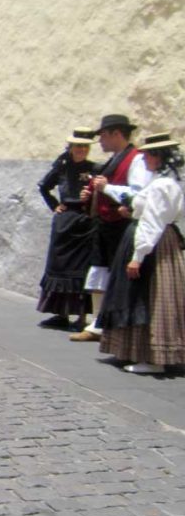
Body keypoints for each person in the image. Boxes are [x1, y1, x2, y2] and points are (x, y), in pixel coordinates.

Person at [94, 133, 184, 374]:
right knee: (153, 296)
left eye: (146, 156)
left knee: (148, 297)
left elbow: (152, 222)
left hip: (154, 245)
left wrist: (137, 257)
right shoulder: (168, 181)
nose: (143, 161)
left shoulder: (161, 185)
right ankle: (152, 354)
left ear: (157, 157)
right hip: (164, 241)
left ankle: (153, 358)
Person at [72, 114, 151, 342]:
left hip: (121, 226)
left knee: (118, 275)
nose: (100, 141)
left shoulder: (135, 159)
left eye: (104, 135)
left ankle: (112, 325)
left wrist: (107, 189)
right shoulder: (113, 159)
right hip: (105, 224)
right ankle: (97, 323)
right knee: (100, 270)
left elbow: (136, 193)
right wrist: (90, 194)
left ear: (117, 134)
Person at [36, 128, 98, 330]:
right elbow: (44, 186)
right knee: (60, 268)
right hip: (65, 222)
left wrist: (91, 200)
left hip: (84, 221)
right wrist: (54, 205)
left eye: (85, 146)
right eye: (78, 146)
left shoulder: (95, 169)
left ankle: (80, 317)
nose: (81, 149)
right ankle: (60, 314)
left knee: (80, 270)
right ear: (71, 148)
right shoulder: (61, 167)